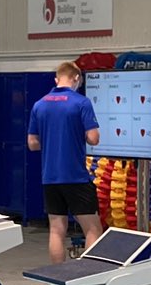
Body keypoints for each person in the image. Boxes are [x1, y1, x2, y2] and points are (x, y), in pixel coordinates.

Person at [26, 61, 102, 263]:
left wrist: (53, 141)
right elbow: (93, 138)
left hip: (50, 178)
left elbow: (32, 143)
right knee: (93, 228)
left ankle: (58, 280)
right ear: (77, 78)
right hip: (76, 176)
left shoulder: (39, 105)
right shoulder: (81, 103)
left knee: (57, 230)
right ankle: (89, 277)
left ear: (56, 79)